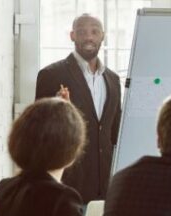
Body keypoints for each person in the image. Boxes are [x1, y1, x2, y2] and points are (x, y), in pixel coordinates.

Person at [35, 13, 121, 202]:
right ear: (72, 36)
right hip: (68, 183)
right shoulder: (51, 74)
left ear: (102, 36)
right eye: (82, 32)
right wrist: (57, 109)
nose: (89, 37)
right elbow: (38, 132)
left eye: (94, 32)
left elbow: (114, 133)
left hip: (106, 186)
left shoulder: (113, 80)